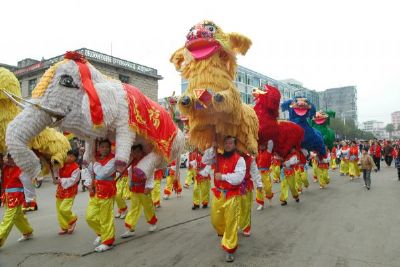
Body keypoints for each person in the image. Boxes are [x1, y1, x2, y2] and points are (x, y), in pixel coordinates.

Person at [202, 136, 245, 263]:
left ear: (235, 144)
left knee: (231, 223)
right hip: (218, 194)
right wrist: (212, 147)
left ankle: (230, 249)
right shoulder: (217, 156)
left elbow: (239, 177)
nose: (228, 145)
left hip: (232, 195)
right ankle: (225, 234)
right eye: (226, 142)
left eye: (231, 142)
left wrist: (223, 177)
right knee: (215, 221)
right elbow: (205, 160)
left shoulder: (240, 159)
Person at [84, 139, 116, 252]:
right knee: (90, 217)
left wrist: (94, 162)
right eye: (102, 146)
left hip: (107, 192)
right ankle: (102, 233)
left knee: (106, 218)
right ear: (98, 148)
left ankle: (108, 241)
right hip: (95, 192)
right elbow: (88, 171)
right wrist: (88, 184)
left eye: (107, 147)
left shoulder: (113, 159)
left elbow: (102, 174)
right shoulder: (95, 157)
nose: (105, 149)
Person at [121, 145, 157, 238]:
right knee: (133, 208)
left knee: (148, 207)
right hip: (135, 189)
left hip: (144, 189)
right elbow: (130, 173)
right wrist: (130, 184)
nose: (135, 154)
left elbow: (151, 173)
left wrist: (149, 186)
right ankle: (130, 228)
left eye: (137, 151)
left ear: (141, 151)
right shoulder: (132, 161)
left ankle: (153, 223)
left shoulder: (146, 160)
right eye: (133, 152)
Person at [0, 154, 34, 248]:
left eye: (13, 158)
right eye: (9, 158)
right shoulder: (5, 168)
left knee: (8, 217)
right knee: (18, 217)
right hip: (7, 196)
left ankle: (0, 237)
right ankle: (27, 231)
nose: (11, 160)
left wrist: (29, 199)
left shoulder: (21, 170)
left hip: (16, 197)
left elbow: (28, 185)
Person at [54, 149, 80, 235]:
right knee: (59, 209)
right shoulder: (61, 164)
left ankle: (72, 220)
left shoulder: (76, 167)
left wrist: (60, 180)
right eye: (68, 155)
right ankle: (64, 226)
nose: (69, 157)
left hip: (70, 191)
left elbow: (73, 180)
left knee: (64, 208)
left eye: (72, 156)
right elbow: (56, 173)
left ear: (75, 158)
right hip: (61, 190)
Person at [239, 152, 262, 237]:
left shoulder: (250, 159)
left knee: (246, 207)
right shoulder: (230, 155)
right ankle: (235, 225)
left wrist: (259, 183)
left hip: (246, 186)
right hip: (232, 187)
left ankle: (246, 227)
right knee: (234, 207)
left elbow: (254, 171)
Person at [255, 141, 274, 210]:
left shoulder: (268, 151)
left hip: (266, 173)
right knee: (259, 188)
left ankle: (269, 197)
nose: (261, 146)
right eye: (260, 145)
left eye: (263, 145)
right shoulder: (257, 153)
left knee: (268, 188)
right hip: (258, 173)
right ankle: (260, 203)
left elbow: (271, 142)